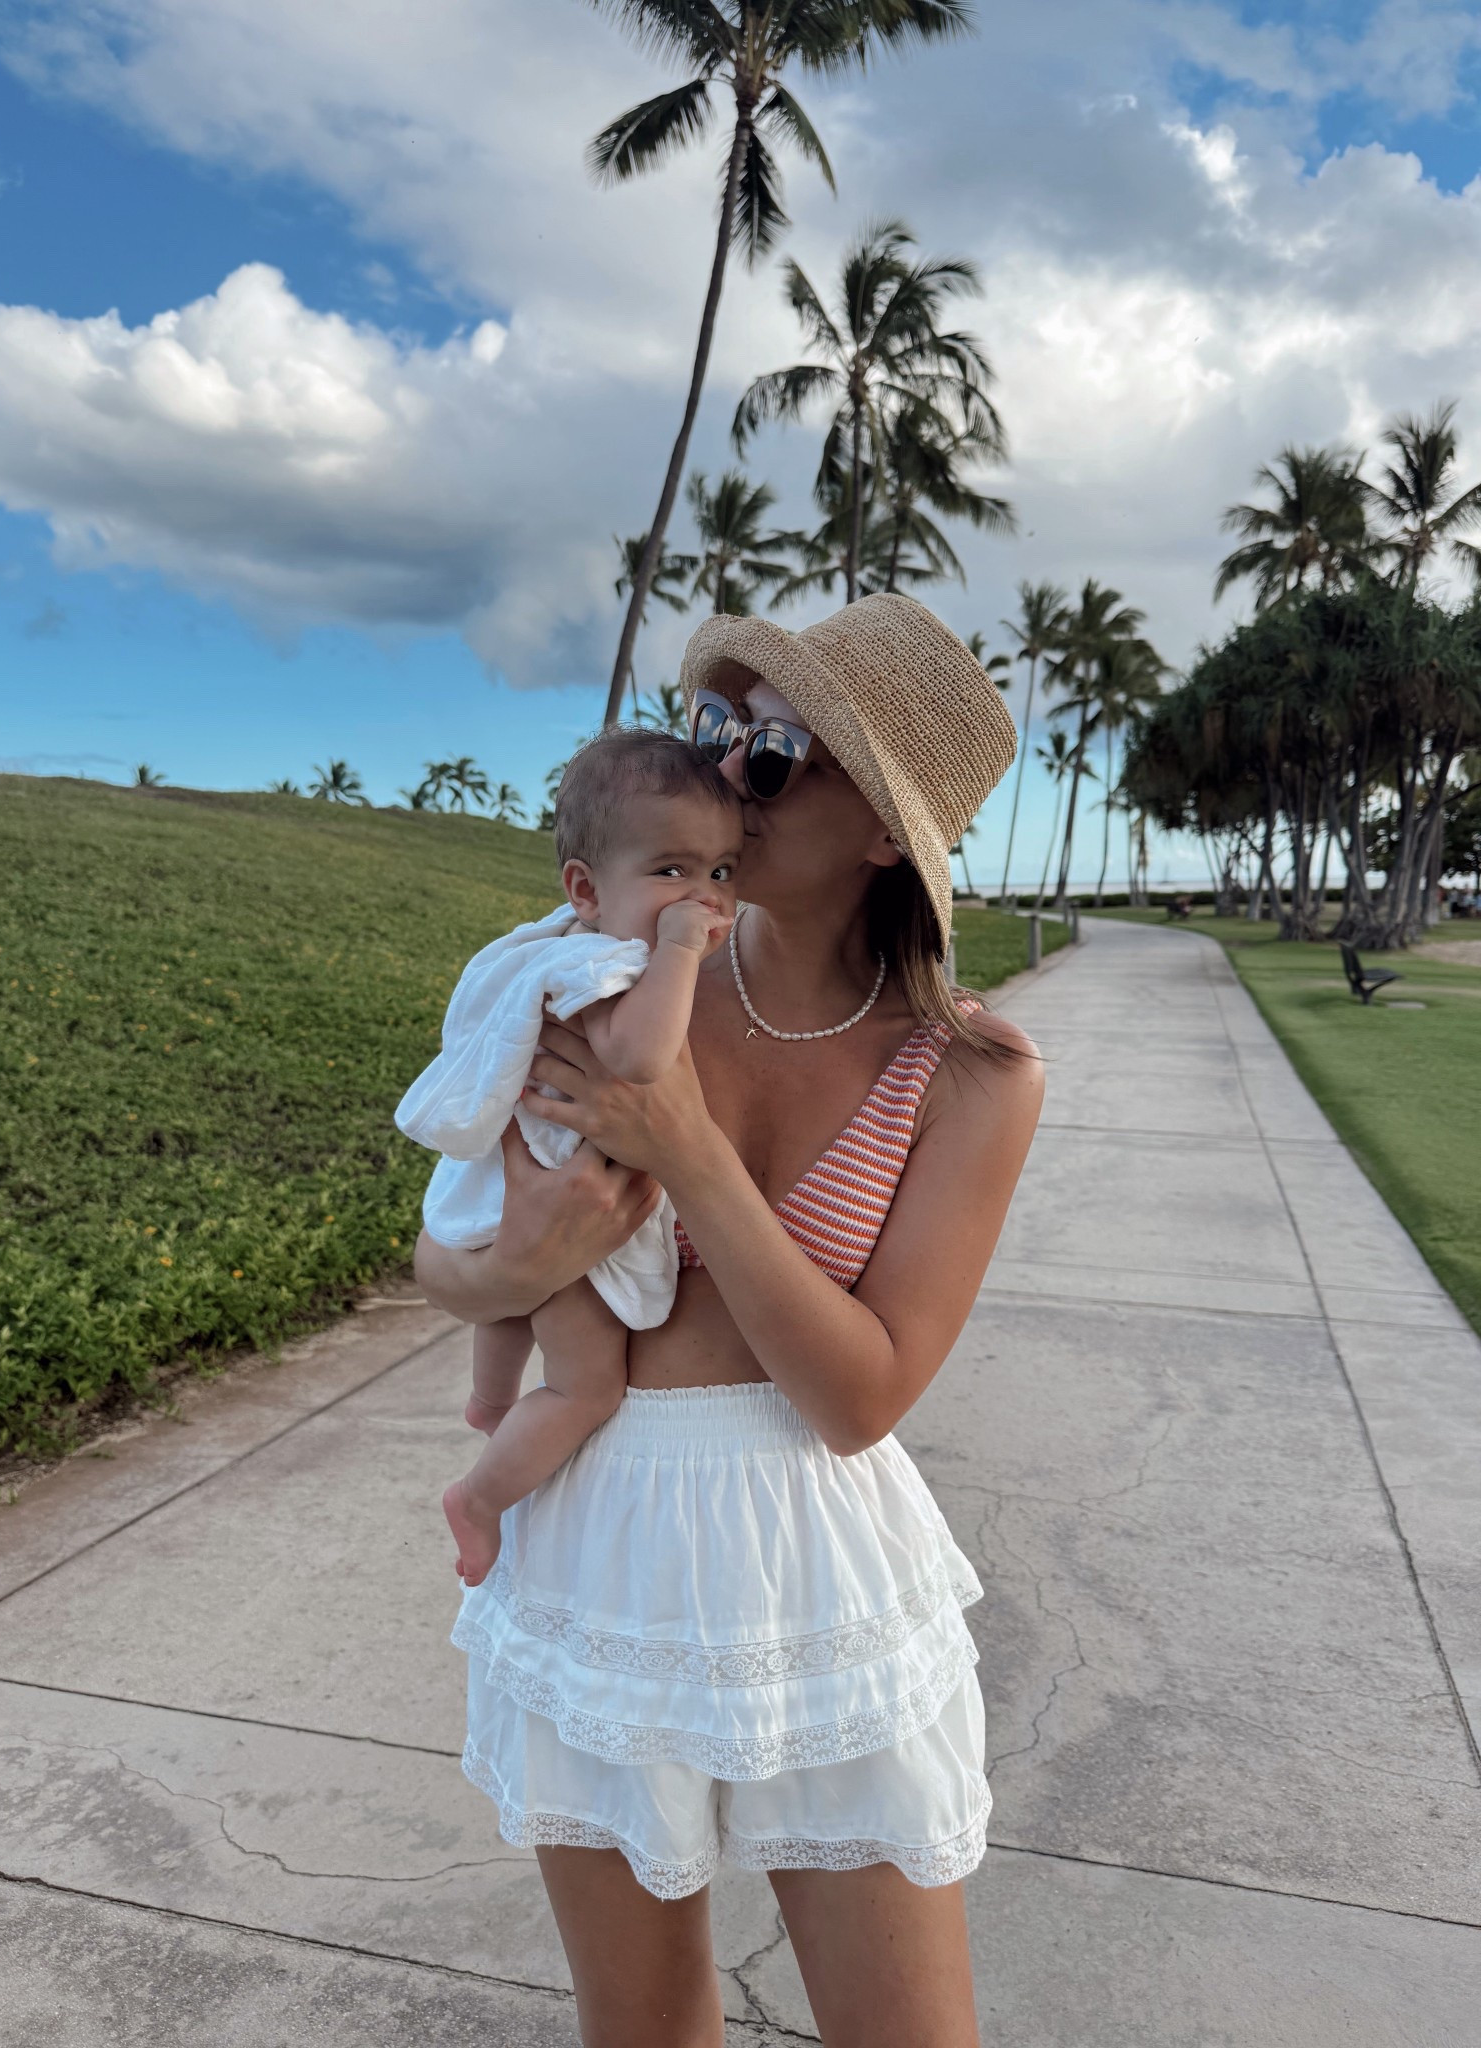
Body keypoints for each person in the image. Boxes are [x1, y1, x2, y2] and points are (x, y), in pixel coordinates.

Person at [416, 593, 1045, 2048]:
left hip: (816, 1563)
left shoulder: (970, 1073)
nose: (725, 774)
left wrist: (686, 1149)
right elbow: (446, 1262)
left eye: (776, 755)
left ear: (887, 830)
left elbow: (860, 1400)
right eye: (721, 733)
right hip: (596, 1533)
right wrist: (515, 1279)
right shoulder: (600, 986)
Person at [396, 729, 742, 1586]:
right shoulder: (611, 966)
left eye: (723, 872)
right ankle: (477, 1499)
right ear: (586, 888)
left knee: (514, 1303)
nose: (702, 898)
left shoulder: (554, 947)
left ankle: (488, 1399)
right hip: (572, 1196)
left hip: (536, 1192)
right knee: (589, 1388)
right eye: (672, 871)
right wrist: (677, 954)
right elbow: (637, 1058)